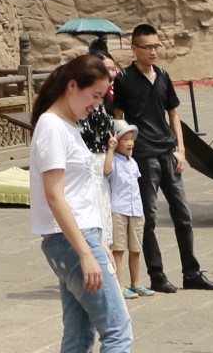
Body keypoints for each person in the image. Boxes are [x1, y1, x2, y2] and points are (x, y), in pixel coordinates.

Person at [31, 53, 132, 353]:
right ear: (72, 85)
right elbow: (54, 195)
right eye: (95, 95)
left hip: (80, 237)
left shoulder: (69, 125)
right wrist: (86, 252)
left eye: (102, 97)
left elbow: (80, 193)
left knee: (79, 334)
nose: (97, 104)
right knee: (117, 331)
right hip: (72, 240)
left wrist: (97, 242)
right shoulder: (52, 127)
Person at [112, 23, 213, 293]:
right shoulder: (124, 79)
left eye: (156, 46)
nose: (153, 51)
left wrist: (181, 149)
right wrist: (125, 152)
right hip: (144, 156)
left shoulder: (163, 75)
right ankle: (156, 275)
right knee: (149, 218)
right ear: (134, 49)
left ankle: (191, 273)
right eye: (147, 47)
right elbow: (119, 118)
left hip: (169, 153)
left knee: (183, 215)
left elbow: (174, 114)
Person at [107, 121, 149, 296]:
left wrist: (142, 212)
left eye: (132, 139)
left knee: (136, 249)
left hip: (136, 210)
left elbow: (136, 187)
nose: (130, 143)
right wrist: (110, 150)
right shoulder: (114, 161)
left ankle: (136, 283)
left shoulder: (133, 163)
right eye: (125, 139)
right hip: (119, 209)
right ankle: (120, 285)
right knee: (118, 249)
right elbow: (106, 170)